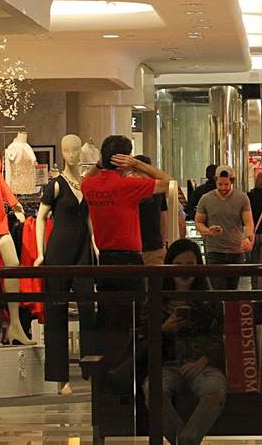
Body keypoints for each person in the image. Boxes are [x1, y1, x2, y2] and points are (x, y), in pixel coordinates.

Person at [82, 136, 172, 359]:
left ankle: (109, 370)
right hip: (130, 261)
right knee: (135, 318)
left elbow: (85, 178)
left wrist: (100, 164)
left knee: (108, 317)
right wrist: (137, 164)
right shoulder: (127, 186)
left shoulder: (90, 185)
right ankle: (131, 367)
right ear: (125, 159)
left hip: (104, 260)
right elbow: (168, 182)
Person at [146, 238, 226, 445]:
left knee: (214, 390)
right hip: (165, 366)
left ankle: (187, 440)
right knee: (154, 391)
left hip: (203, 366)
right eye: (178, 265)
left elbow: (221, 337)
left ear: (198, 267)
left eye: (190, 265)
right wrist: (163, 329)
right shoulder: (155, 300)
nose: (184, 271)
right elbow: (141, 336)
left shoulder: (210, 300)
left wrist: (203, 361)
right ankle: (184, 441)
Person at [195, 166, 253, 290]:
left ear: (231, 182)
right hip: (214, 252)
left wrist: (248, 238)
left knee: (232, 290)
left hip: (235, 251)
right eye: (220, 184)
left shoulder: (242, 198)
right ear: (215, 181)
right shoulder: (206, 199)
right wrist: (208, 231)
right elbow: (198, 222)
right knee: (217, 290)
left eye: (226, 184)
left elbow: (248, 222)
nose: (223, 188)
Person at [135, 155, 171, 267]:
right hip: (143, 246)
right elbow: (163, 217)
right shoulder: (132, 188)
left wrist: (162, 243)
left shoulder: (157, 190)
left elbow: (163, 217)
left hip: (152, 246)